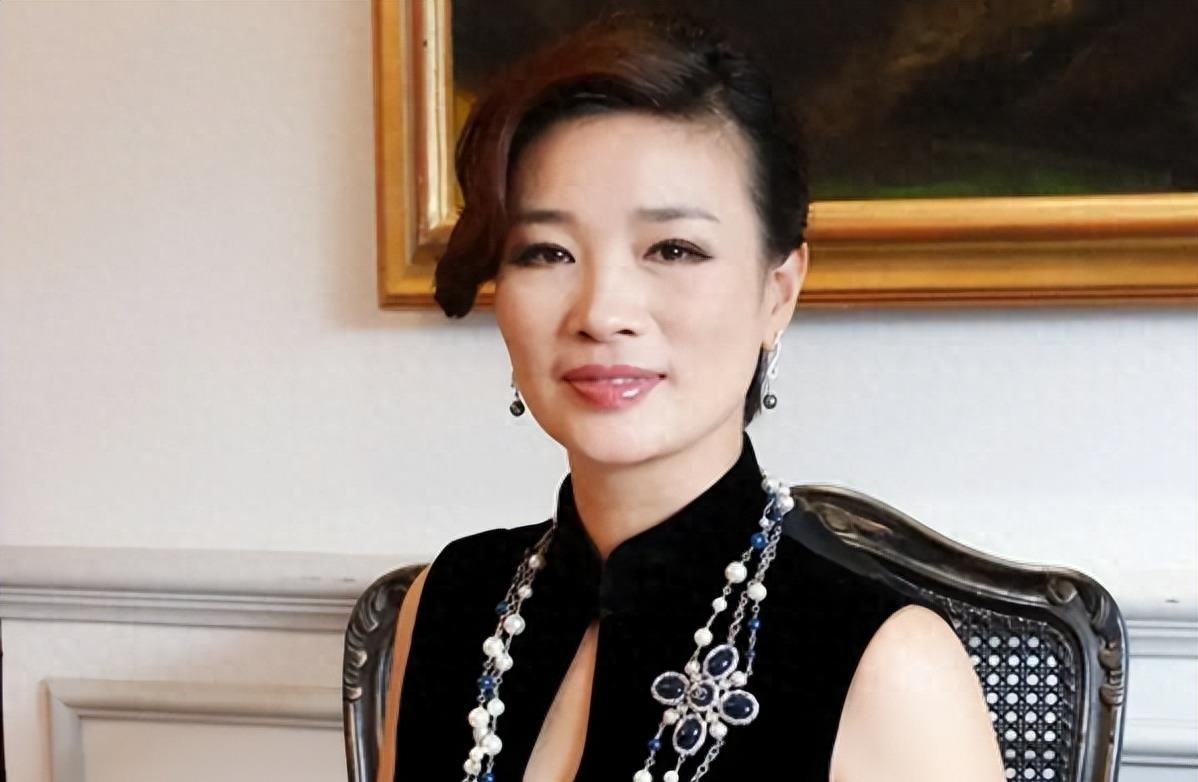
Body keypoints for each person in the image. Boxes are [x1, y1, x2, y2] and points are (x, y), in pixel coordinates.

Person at [378, 12, 1004, 782]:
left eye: (673, 249)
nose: (602, 311)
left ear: (778, 292)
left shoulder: (889, 666)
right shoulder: (451, 601)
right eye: (546, 252)